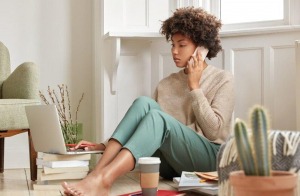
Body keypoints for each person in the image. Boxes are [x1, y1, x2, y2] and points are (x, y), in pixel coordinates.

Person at [62, 7, 235, 196]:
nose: (174, 51)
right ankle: (96, 175)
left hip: (208, 160)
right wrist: (104, 145)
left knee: (157, 118)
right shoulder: (167, 83)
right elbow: (145, 129)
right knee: (144, 103)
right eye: (172, 45)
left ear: (201, 48)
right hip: (171, 164)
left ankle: (105, 180)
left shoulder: (223, 79)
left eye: (182, 45)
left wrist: (195, 87)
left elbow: (214, 131)